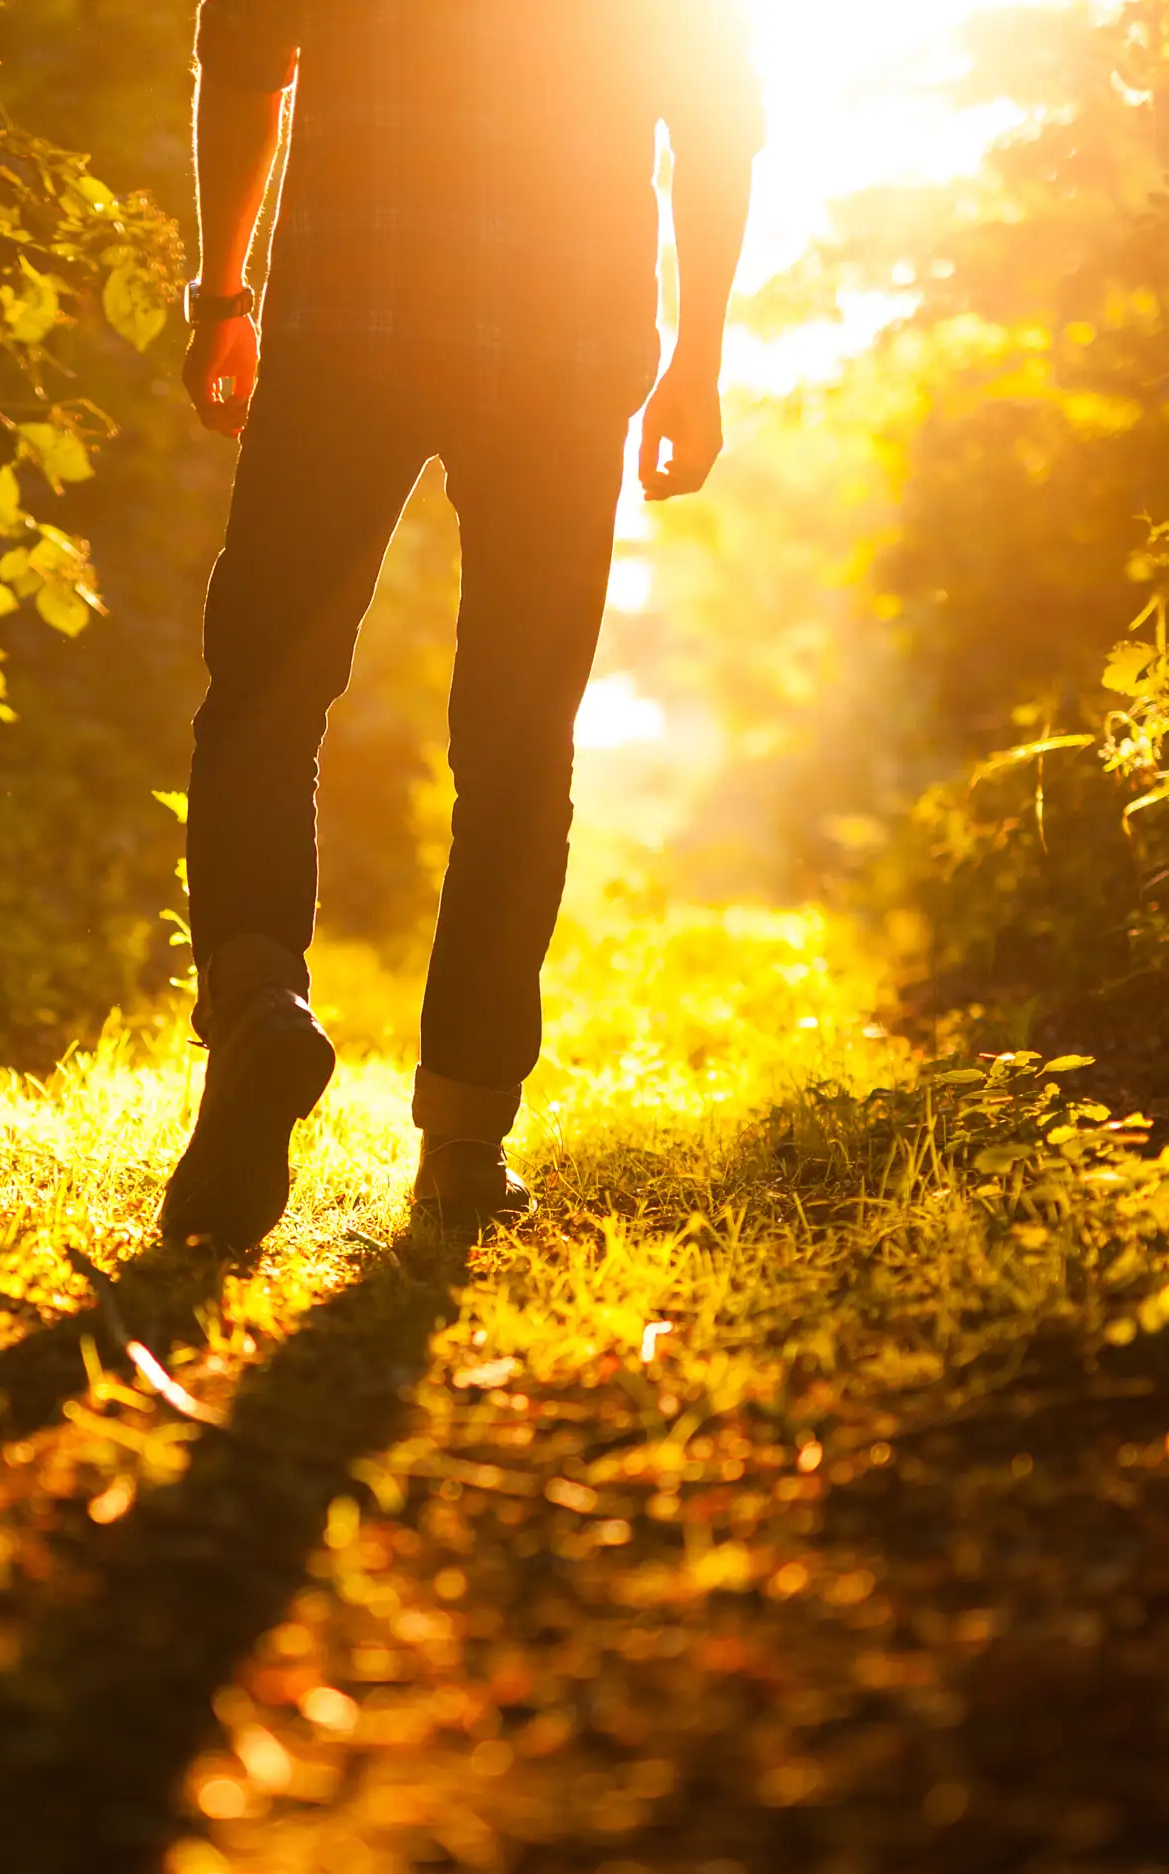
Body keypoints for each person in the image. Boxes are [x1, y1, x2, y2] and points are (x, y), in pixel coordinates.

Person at [157, 0, 761, 1245]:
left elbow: (242, 60)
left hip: (344, 335)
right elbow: (712, 117)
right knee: (517, 748)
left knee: (265, 699)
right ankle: (464, 1141)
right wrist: (697, 358)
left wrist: (221, 290)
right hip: (560, 354)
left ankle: (258, 999)